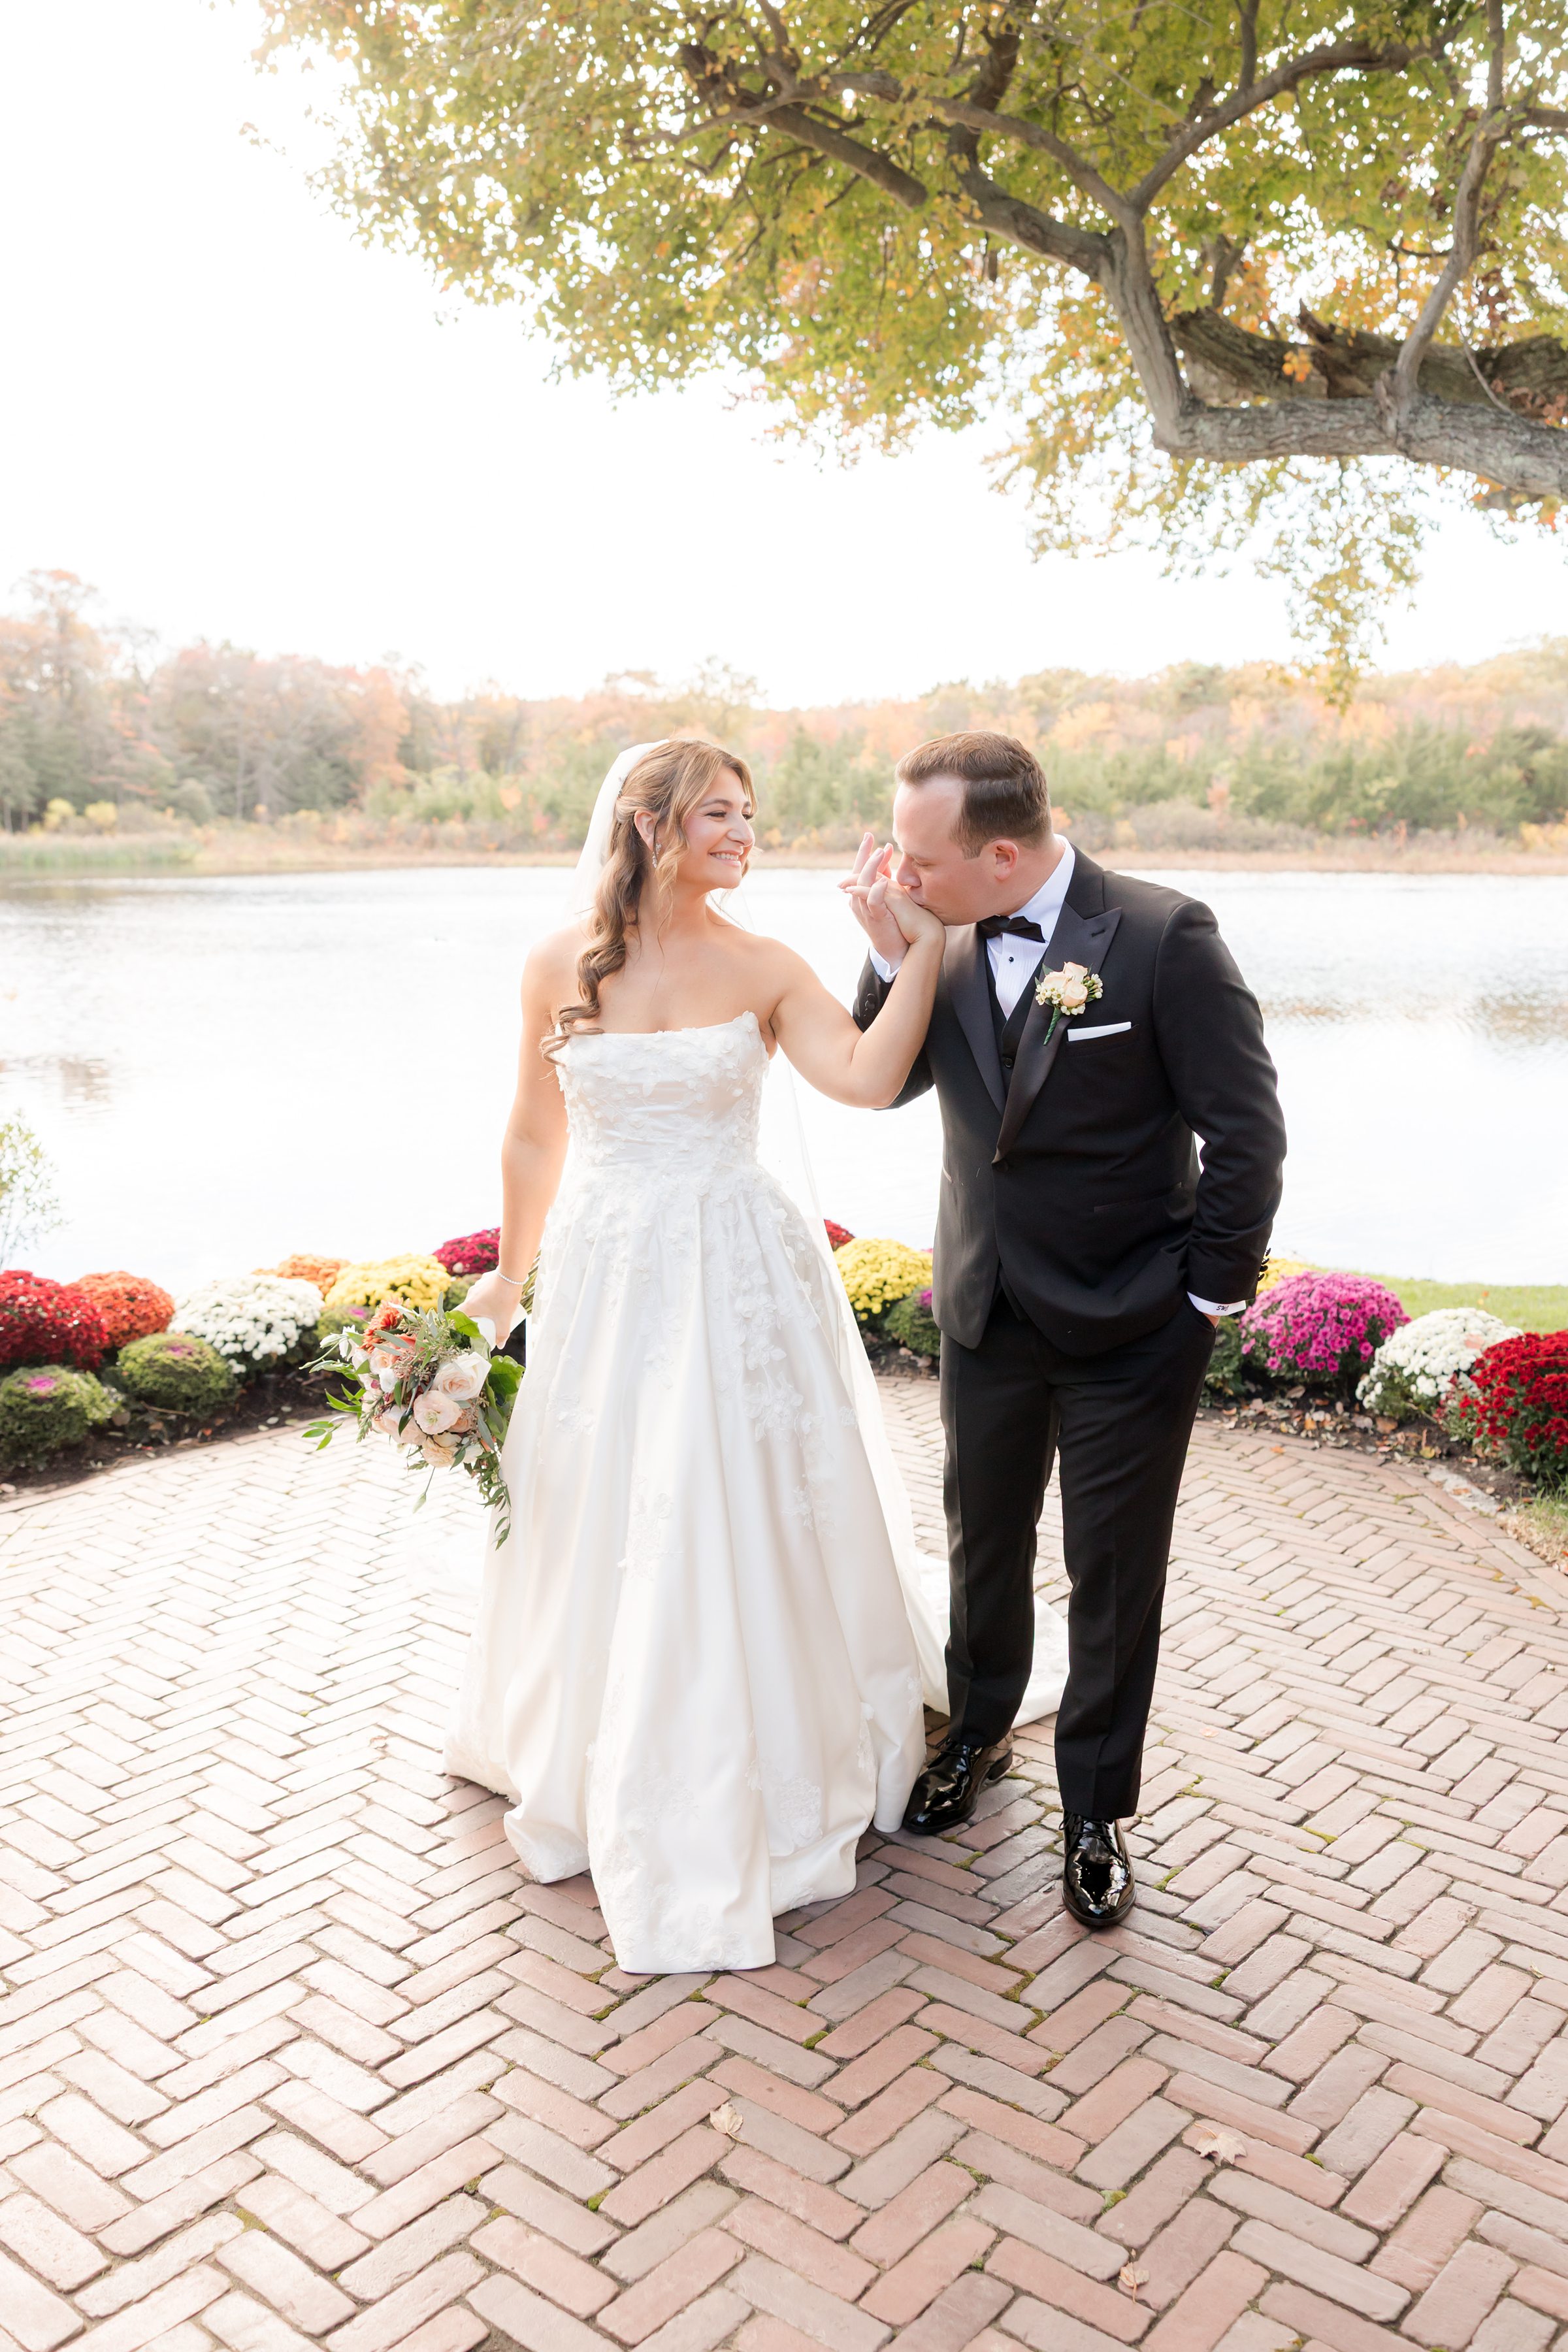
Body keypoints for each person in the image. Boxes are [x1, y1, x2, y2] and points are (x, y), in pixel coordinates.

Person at [445, 738, 955, 1974]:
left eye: (749, 814)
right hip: (611, 1264)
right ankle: (593, 1731)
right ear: (650, 823)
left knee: (743, 1486)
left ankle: (774, 1733)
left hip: (736, 1266)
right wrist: (505, 1283)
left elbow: (869, 1076)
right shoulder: (558, 962)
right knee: (609, 1486)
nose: (745, 833)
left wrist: (922, 949)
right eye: (719, 814)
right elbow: (530, 1131)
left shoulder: (768, 964)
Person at [849, 731, 1286, 1927]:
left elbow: (1247, 1135)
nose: (897, 873)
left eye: (916, 857)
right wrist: (890, 961)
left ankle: (1096, 1807)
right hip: (990, 1307)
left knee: (1111, 1571)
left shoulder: (1160, 937)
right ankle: (977, 1733)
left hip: (1135, 1325)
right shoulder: (935, 929)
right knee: (982, 1544)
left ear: (1000, 853)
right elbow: (884, 1085)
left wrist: (1204, 1299)